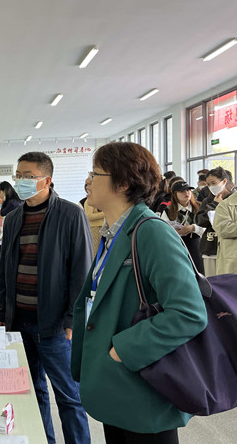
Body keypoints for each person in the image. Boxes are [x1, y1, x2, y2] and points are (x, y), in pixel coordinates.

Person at [71, 142, 207, 444]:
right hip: (116, 385)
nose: (88, 181)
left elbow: (188, 313)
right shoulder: (114, 232)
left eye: (95, 174)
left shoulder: (151, 232)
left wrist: (121, 351)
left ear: (122, 183)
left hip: (143, 386)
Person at [0, 151, 92, 444]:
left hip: (54, 325)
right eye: (18, 176)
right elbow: (5, 269)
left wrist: (73, 318)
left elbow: (81, 271)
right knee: (33, 392)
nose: (21, 182)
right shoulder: (13, 218)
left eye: (28, 176)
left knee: (69, 396)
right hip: (19, 323)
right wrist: (1, 313)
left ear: (47, 180)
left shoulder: (70, 214)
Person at [194, 167, 235, 277]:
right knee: (212, 281)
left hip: (231, 248)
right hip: (211, 247)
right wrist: (215, 205)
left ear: (224, 181)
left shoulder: (235, 199)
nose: (211, 187)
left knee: (232, 281)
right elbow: (199, 221)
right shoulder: (207, 200)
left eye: (213, 183)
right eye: (208, 184)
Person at [159, 181, 205, 274]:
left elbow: (207, 228)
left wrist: (193, 228)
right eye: (182, 191)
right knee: (181, 272)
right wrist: (174, 232)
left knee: (199, 272)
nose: (186, 193)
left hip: (196, 246)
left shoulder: (199, 207)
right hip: (176, 246)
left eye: (188, 190)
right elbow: (162, 230)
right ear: (174, 194)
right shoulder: (168, 210)